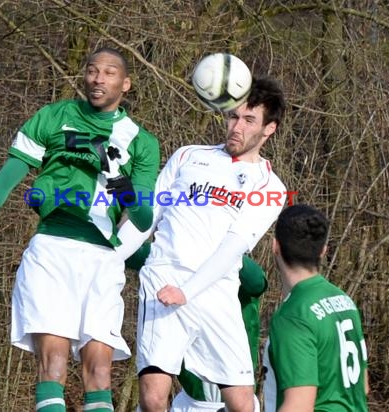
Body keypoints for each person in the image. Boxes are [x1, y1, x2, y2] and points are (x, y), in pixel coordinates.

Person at [0, 47, 160, 412]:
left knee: (99, 372)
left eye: (109, 73)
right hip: (51, 251)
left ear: (125, 83)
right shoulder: (53, 116)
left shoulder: (141, 141)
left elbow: (142, 220)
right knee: (53, 364)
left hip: (102, 260)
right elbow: (4, 182)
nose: (98, 78)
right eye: (92, 70)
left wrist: (119, 182)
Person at [118, 77, 287, 412]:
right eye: (233, 116)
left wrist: (189, 290)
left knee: (242, 403)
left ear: (269, 129)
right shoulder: (187, 157)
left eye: (249, 120)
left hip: (216, 290)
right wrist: (109, 259)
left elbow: (232, 248)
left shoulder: (271, 186)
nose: (237, 126)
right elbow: (147, 219)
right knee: (153, 397)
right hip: (164, 278)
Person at [124, 244, 268, 411]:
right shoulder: (175, 262)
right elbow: (131, 250)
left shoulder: (239, 271)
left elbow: (258, 282)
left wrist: (218, 249)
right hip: (191, 404)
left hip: (237, 402)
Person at [262, 204, 369, 411]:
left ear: (275, 246)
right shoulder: (344, 301)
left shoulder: (293, 316)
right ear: (323, 251)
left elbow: (299, 406)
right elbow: (362, 386)